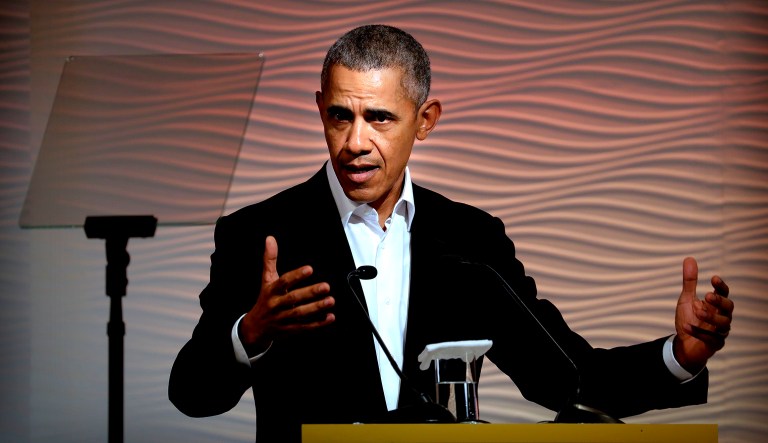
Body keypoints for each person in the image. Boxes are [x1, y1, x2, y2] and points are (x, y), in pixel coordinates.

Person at [169, 24, 733, 443]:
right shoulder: (259, 236)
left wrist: (678, 357)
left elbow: (567, 378)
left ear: (426, 119)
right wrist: (250, 333)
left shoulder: (472, 239)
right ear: (320, 110)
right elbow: (191, 394)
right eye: (340, 116)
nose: (355, 142)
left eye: (380, 119)